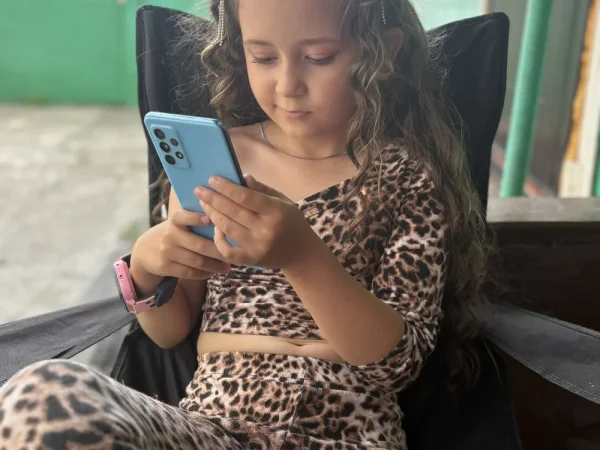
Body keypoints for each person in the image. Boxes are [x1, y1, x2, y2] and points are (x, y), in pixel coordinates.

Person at [0, 0, 492, 448]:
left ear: (383, 52)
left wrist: (303, 256)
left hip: (349, 431)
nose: (287, 84)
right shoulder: (217, 162)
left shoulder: (407, 177)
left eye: (318, 57)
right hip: (212, 429)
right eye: (263, 57)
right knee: (43, 393)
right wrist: (147, 266)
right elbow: (170, 333)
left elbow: (398, 364)